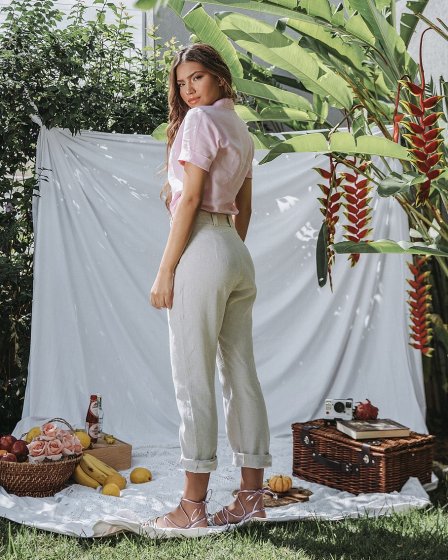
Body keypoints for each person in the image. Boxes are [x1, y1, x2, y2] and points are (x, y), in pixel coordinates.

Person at [149, 43, 272, 531]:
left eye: (196, 78)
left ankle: (192, 506)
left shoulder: (200, 122)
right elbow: (246, 205)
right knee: (242, 375)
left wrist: (166, 270)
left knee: (192, 376)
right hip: (235, 252)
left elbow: (191, 198)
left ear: (220, 76)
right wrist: (228, 254)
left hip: (202, 246)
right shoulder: (240, 128)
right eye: (181, 83)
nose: (188, 90)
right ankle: (251, 498)